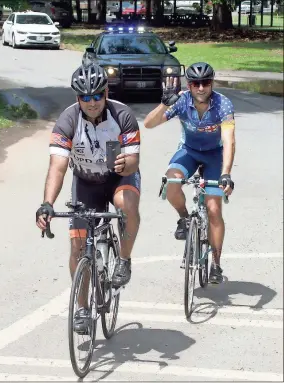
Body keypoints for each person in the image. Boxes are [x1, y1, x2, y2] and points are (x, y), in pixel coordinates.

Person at [36, 58, 141, 332]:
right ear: (78, 97)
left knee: (125, 205)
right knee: (77, 247)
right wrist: (47, 203)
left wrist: (125, 164)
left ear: (106, 93)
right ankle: (82, 309)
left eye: (97, 95)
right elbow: (57, 168)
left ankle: (124, 260)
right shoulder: (67, 121)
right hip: (85, 182)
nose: (92, 102)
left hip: (120, 177)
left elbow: (134, 161)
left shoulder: (123, 116)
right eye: (85, 97)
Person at [144, 62, 235, 284]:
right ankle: (185, 218)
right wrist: (164, 104)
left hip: (214, 155)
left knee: (213, 209)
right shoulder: (182, 100)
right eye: (196, 83)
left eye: (206, 83)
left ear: (212, 83)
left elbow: (229, 140)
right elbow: (148, 124)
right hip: (189, 151)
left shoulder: (222, 104)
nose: (201, 88)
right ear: (189, 84)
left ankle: (216, 263)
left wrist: (226, 173)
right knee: (171, 182)